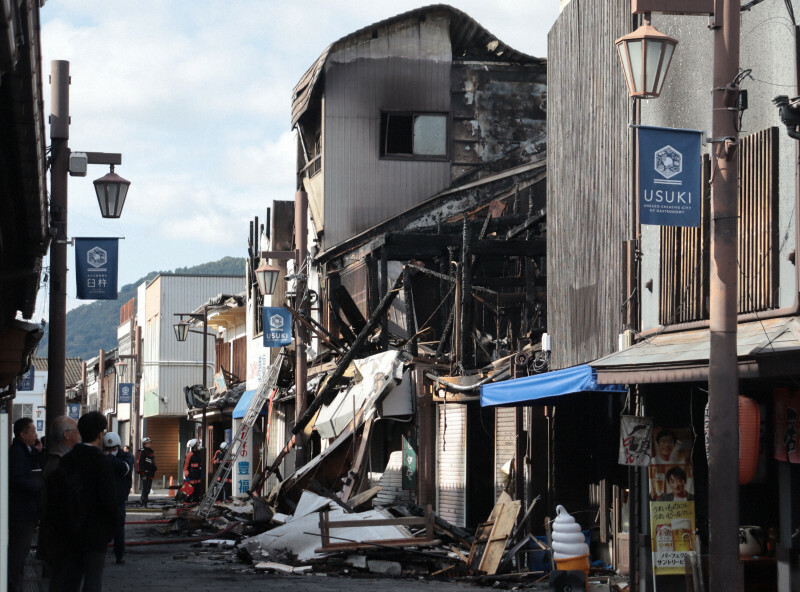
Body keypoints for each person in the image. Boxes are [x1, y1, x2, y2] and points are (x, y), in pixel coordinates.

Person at [44, 411, 116, 592]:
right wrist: (110, 530)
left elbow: (53, 498)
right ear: (100, 434)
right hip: (96, 534)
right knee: (93, 580)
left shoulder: (67, 460)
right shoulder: (102, 462)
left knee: (68, 580)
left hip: (68, 532)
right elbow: (110, 500)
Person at [39, 415, 80, 576]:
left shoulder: (61, 459)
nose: (80, 434)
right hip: (60, 535)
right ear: (67, 435)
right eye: (77, 431)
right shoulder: (58, 462)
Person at [7, 417, 43, 592]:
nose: (36, 435)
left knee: (20, 554)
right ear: (22, 434)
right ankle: (14, 587)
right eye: (33, 431)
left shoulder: (25, 451)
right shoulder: (17, 453)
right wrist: (39, 485)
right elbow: (17, 480)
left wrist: (37, 452)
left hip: (25, 510)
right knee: (18, 555)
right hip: (21, 512)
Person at [103, 432, 134, 564]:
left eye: (113, 449)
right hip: (103, 497)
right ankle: (101, 555)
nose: (111, 452)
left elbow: (124, 468)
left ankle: (119, 554)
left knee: (119, 527)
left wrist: (108, 457)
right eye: (108, 449)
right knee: (103, 528)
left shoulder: (126, 457)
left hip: (119, 498)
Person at [135, 437, 157, 508]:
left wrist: (154, 468)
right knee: (145, 488)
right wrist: (141, 471)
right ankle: (143, 502)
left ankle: (145, 501)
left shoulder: (150, 452)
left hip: (150, 473)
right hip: (144, 473)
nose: (148, 444)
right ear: (144, 444)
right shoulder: (141, 451)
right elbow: (138, 462)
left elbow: (151, 462)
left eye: (149, 443)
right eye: (147, 443)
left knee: (148, 488)